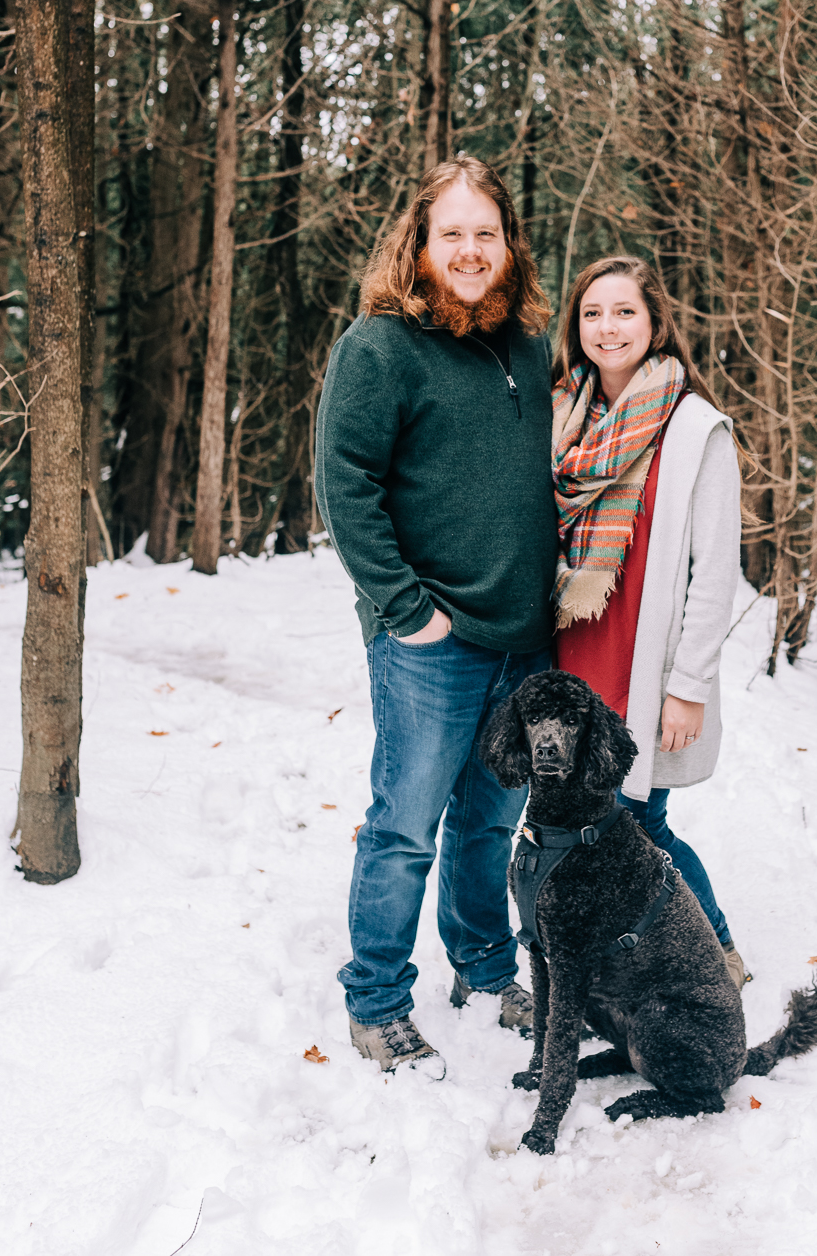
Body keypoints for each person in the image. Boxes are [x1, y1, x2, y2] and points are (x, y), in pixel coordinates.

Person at [315, 157, 557, 1077]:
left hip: (521, 638)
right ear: (419, 244)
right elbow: (346, 486)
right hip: (429, 639)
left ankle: (486, 970)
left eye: (484, 233)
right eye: (449, 232)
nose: (468, 249)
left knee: (491, 820)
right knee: (406, 824)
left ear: (507, 246)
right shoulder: (378, 348)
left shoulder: (529, 348)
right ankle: (377, 1000)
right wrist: (404, 610)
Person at [551, 256, 749, 987]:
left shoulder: (697, 428)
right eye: (593, 313)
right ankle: (614, 956)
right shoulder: (564, 416)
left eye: (624, 311)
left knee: (639, 825)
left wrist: (689, 685)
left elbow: (715, 571)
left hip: (644, 666)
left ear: (655, 322)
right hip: (571, 658)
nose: (608, 327)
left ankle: (716, 951)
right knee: (585, 827)